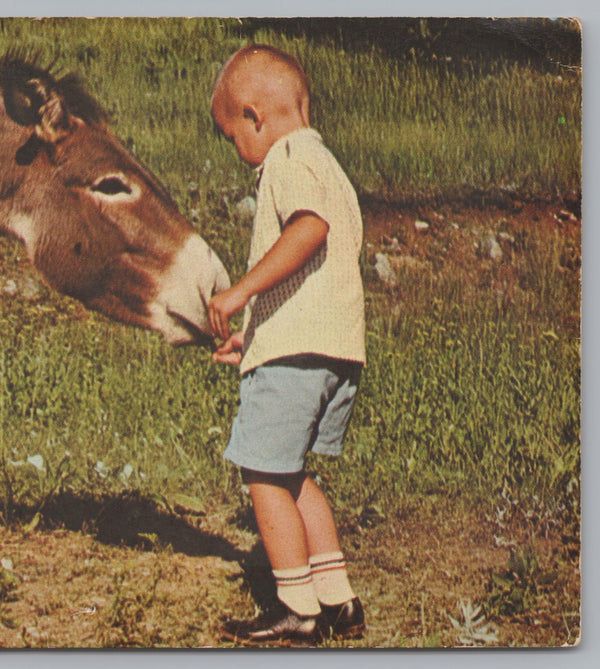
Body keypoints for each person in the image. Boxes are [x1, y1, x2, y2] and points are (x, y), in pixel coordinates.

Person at [206, 44, 367, 645]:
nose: (238, 151)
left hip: (297, 355)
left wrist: (236, 294)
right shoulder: (331, 167)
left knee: (262, 472)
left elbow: (308, 229)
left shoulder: (289, 157)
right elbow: (315, 277)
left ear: (254, 117)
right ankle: (336, 597)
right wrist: (256, 334)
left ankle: (296, 606)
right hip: (332, 351)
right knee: (293, 474)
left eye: (232, 137)